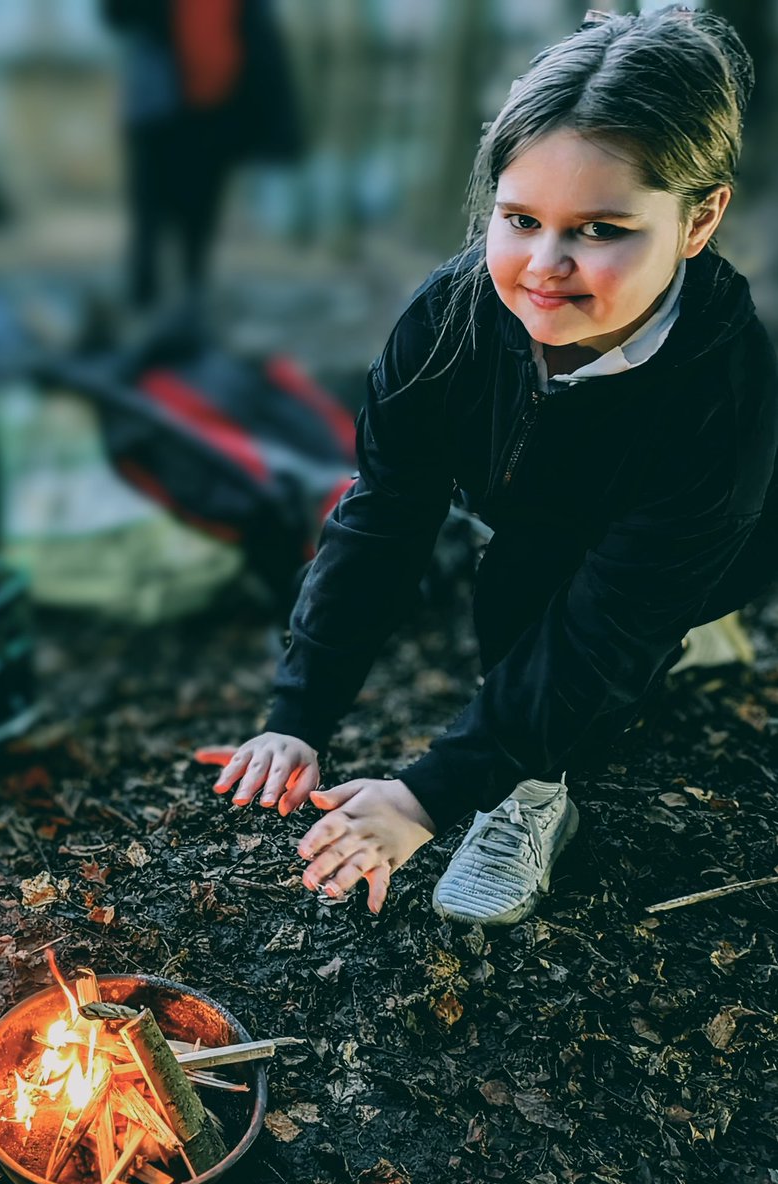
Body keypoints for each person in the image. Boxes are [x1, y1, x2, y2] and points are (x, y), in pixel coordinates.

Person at [198, 7, 778, 926]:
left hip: (718, 531)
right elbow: (385, 512)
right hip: (550, 498)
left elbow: (604, 628)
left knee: (541, 588)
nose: (544, 266)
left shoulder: (726, 391)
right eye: (520, 219)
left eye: (600, 229)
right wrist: (298, 712)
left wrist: (427, 795)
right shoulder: (446, 319)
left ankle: (534, 793)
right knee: (536, 562)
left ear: (698, 218)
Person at [102, 0, 303, 317]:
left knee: (183, 210)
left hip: (198, 108)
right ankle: (160, 299)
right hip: (176, 105)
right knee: (167, 211)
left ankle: (176, 300)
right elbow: (117, 15)